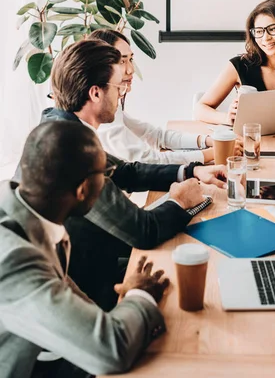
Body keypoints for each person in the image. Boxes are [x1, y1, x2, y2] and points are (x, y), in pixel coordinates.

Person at [15, 39, 227, 310]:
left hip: (91, 256)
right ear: (95, 93)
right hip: (85, 285)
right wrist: (181, 201)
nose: (123, 93)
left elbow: (126, 171)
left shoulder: (60, 126)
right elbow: (144, 231)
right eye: (119, 86)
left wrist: (191, 170)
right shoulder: (70, 150)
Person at [0, 121, 170, 378]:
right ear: (82, 190)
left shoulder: (30, 214)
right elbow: (112, 350)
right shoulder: (13, 259)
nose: (107, 181)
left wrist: (115, 313)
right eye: (105, 173)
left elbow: (62, 288)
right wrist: (140, 295)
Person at [88, 29, 215, 164]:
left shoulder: (112, 107)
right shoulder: (101, 113)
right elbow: (148, 160)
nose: (131, 69)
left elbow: (155, 135)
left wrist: (207, 140)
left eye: (130, 59)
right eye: (121, 61)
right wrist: (210, 154)